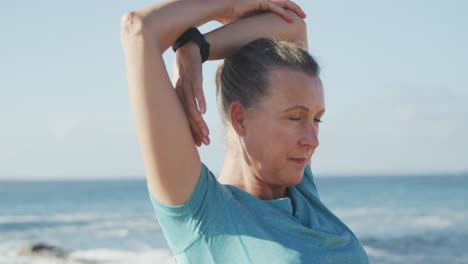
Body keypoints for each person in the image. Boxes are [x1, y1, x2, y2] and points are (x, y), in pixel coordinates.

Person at [120, 0, 369, 263]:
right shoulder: (204, 215)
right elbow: (138, 29)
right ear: (240, 118)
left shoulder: (302, 194)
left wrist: (197, 48)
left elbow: (294, 27)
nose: (312, 140)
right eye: (295, 118)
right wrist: (228, 5)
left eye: (317, 120)